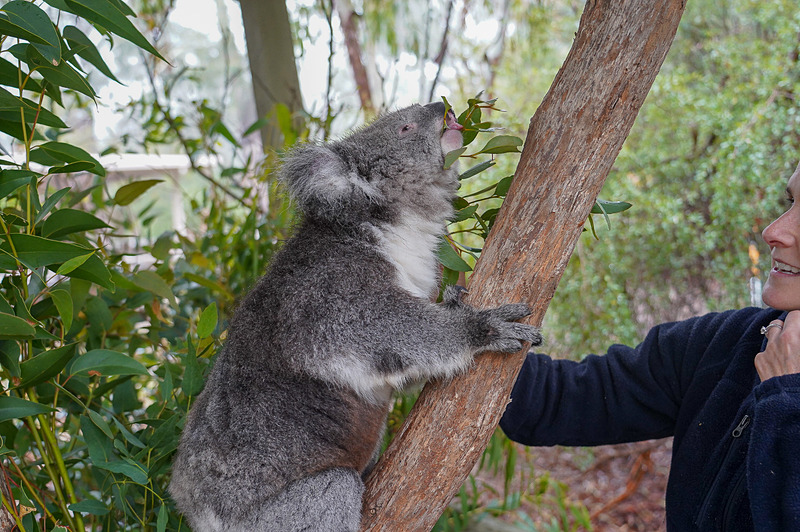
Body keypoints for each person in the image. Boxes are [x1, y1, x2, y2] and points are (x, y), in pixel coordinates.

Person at [500, 161, 800, 531]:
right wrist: (448, 327)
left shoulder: (783, 390)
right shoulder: (728, 343)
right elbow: (559, 399)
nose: (775, 232)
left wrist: (784, 401)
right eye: (790, 202)